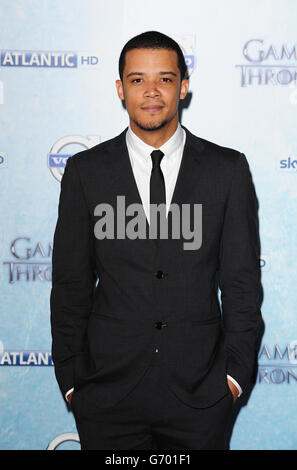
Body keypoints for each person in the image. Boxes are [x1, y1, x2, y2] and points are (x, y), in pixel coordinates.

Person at [50, 30, 263, 450]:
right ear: (120, 89)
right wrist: (73, 379)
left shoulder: (227, 170)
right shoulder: (85, 172)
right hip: (106, 395)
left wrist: (234, 377)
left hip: (201, 396)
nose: (151, 92)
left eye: (164, 79)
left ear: (183, 87)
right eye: (137, 80)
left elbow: (240, 285)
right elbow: (71, 285)